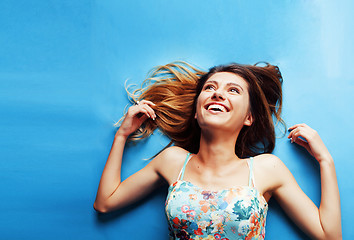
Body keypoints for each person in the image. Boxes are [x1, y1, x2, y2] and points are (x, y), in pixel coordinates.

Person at [93, 62, 342, 239]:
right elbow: (105, 203)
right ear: (196, 110)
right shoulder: (172, 161)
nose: (218, 93)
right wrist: (122, 135)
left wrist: (324, 160)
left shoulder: (266, 168)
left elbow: (329, 236)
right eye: (210, 88)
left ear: (249, 117)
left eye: (233, 90)